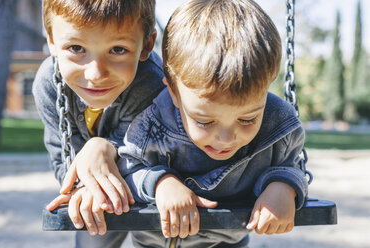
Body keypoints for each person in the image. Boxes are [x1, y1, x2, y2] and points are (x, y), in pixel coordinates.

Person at [118, 0, 309, 247]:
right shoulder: (153, 126)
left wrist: (283, 185)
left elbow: (291, 165)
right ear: (174, 93)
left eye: (247, 119)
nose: (226, 138)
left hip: (228, 241)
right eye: (205, 121)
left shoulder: (278, 125)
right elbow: (126, 169)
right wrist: (161, 183)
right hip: (156, 242)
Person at [32, 0, 164, 247]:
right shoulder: (49, 85)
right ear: (51, 40)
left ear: (146, 44)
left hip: (147, 183)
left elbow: (147, 155)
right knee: (92, 231)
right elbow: (63, 158)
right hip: (95, 191)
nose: (95, 74)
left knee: (157, 234)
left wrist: (103, 147)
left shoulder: (152, 84)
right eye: (75, 47)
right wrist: (82, 186)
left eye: (117, 50)